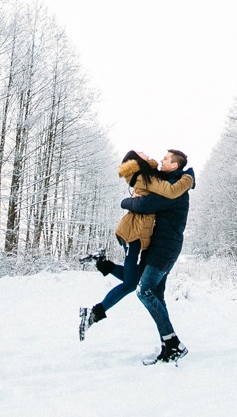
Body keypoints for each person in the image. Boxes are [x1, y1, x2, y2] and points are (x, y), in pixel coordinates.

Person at [80, 148, 195, 365]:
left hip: (165, 247)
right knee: (154, 293)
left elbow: (145, 204)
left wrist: (126, 201)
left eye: (166, 158)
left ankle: (173, 344)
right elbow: (147, 190)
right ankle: (169, 345)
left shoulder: (176, 189)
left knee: (144, 291)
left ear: (174, 165)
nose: (161, 159)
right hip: (156, 246)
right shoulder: (169, 180)